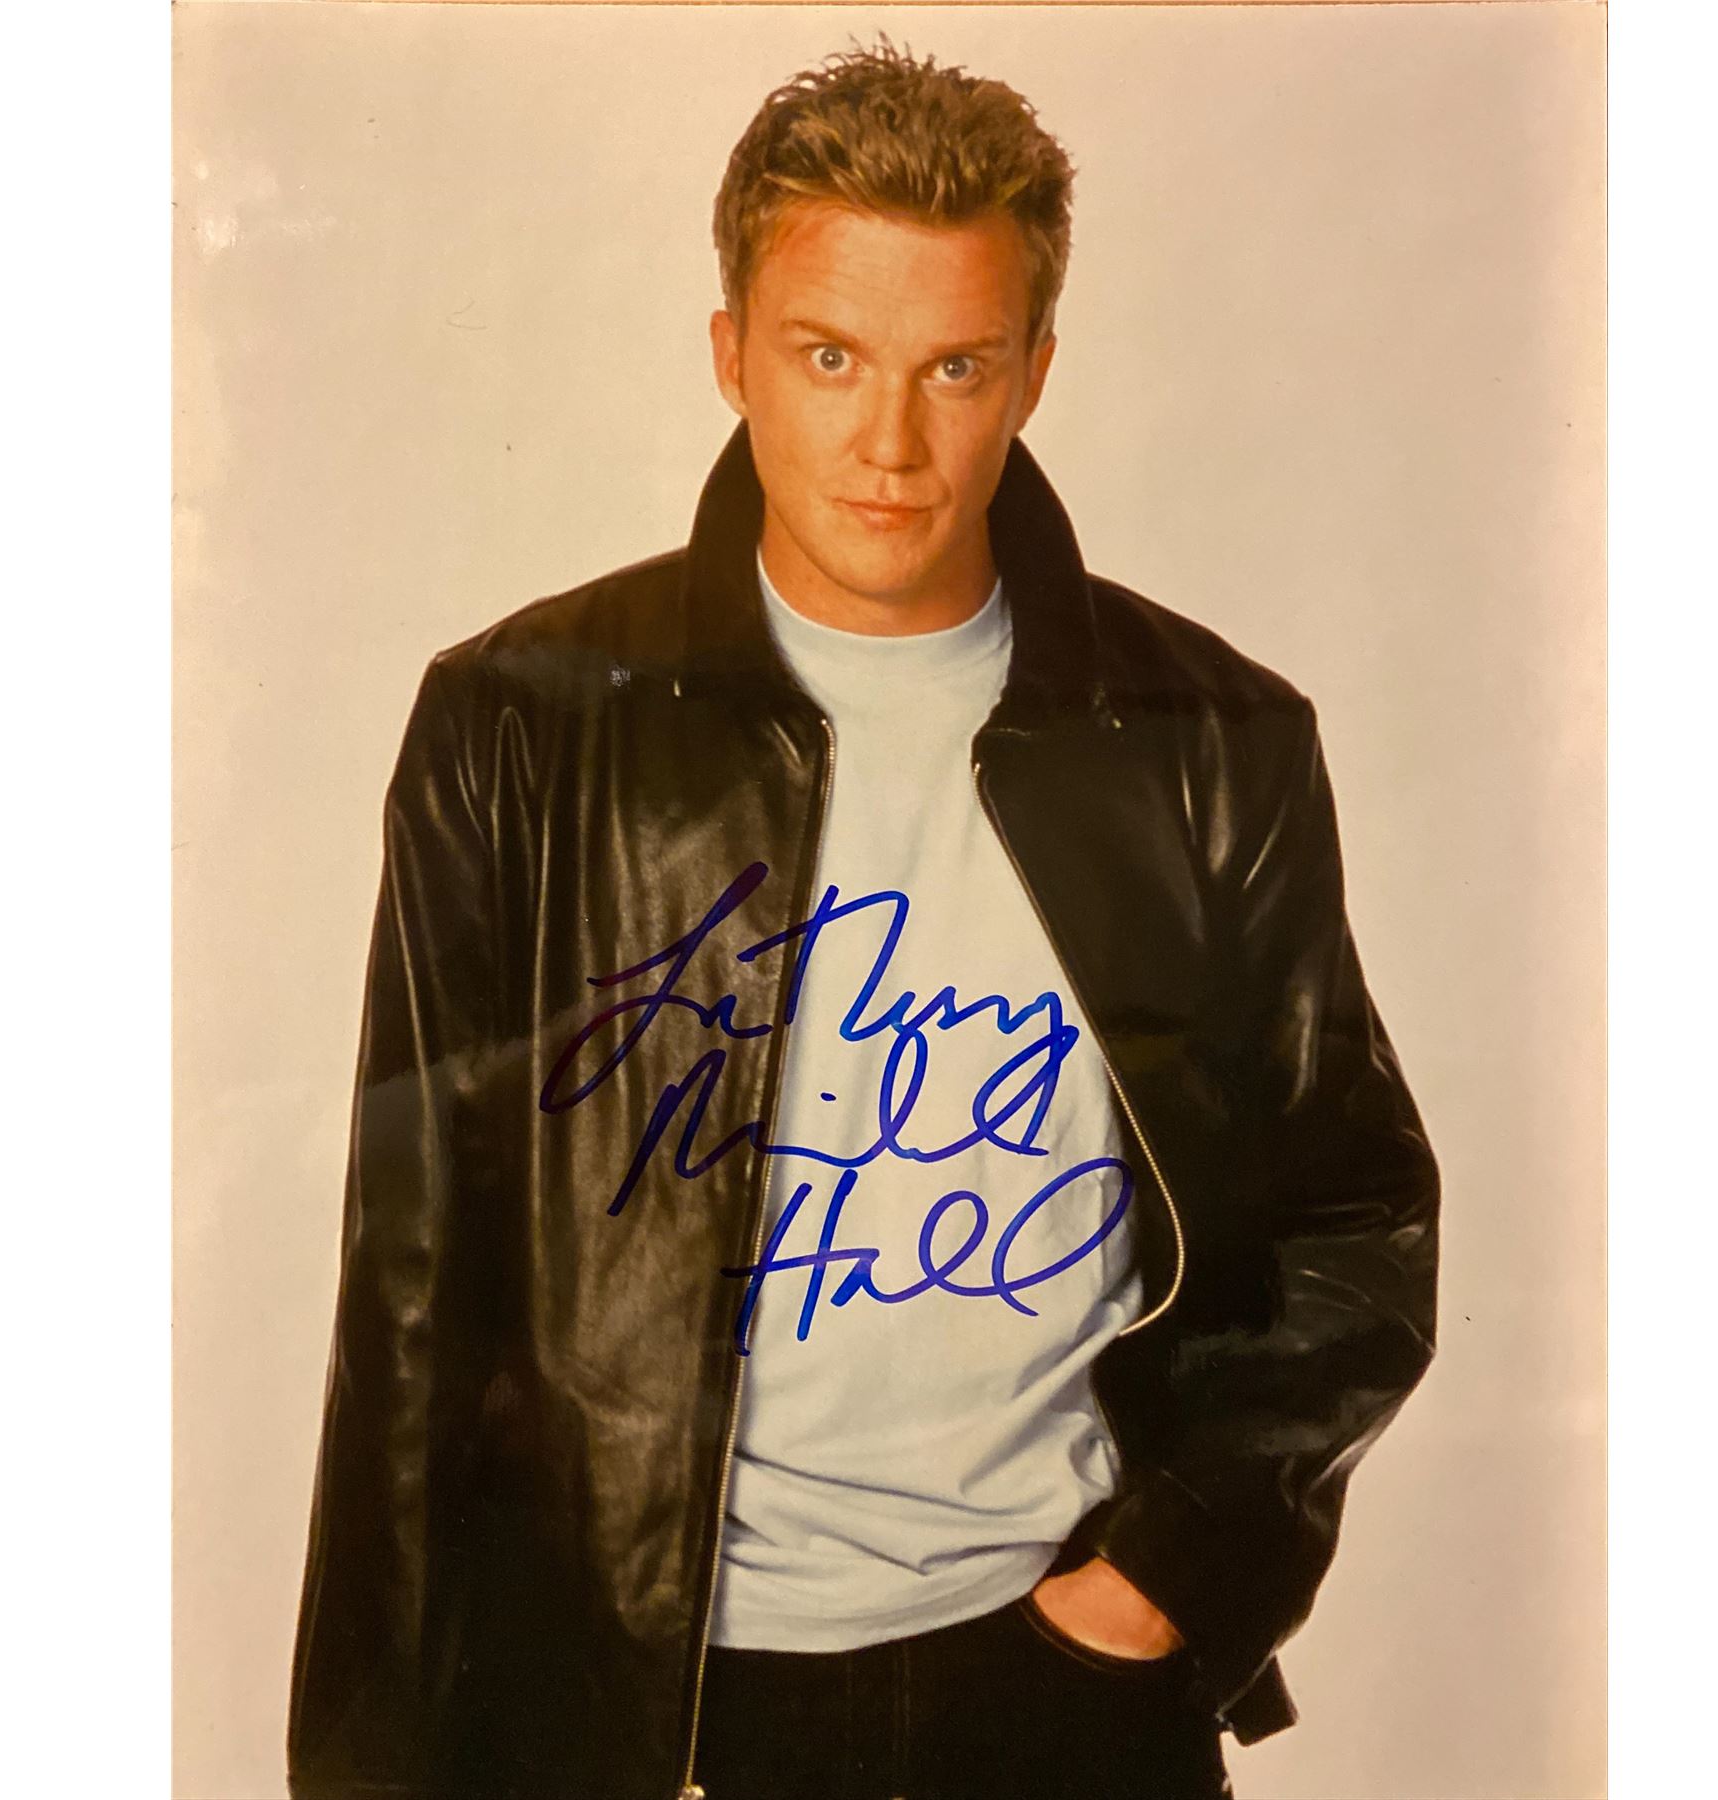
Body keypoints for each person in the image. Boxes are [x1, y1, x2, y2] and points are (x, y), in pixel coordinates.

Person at [288, 41, 1440, 1800]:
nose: (891, 444)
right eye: (829, 356)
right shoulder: (519, 729)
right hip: (651, 1705)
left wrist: (1167, 1579)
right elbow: (414, 1301)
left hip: (1068, 1689)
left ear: (1033, 371)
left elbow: (1352, 1218)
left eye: (953, 366)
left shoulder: (1211, 742)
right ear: (732, 352)